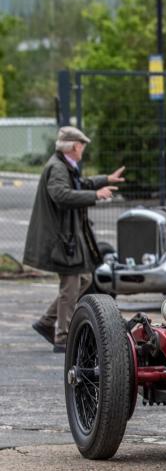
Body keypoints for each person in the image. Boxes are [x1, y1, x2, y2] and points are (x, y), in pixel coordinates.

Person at [23, 126, 125, 352]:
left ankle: (47, 321)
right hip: (62, 240)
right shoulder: (57, 168)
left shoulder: (64, 165)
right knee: (71, 285)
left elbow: (79, 185)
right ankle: (62, 336)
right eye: (81, 146)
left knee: (84, 279)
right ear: (74, 147)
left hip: (67, 238)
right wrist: (95, 195)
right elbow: (61, 195)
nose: (83, 150)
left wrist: (104, 180)